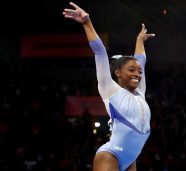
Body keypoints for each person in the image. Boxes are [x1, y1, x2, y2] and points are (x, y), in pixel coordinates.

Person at [63, 2, 155, 171]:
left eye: (139, 72)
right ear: (118, 73)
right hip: (110, 155)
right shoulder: (110, 89)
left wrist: (139, 40)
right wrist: (86, 23)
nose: (138, 74)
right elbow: (100, 52)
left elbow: (141, 60)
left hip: (131, 160)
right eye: (131, 70)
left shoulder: (140, 92)